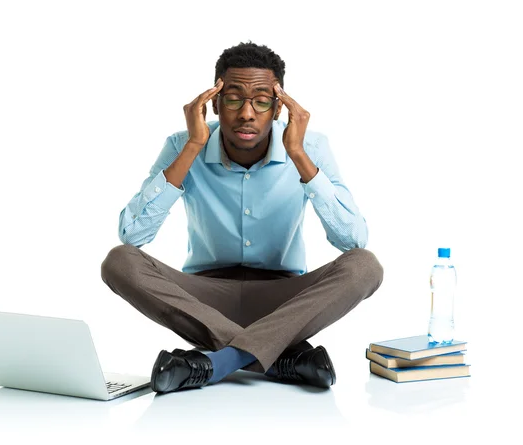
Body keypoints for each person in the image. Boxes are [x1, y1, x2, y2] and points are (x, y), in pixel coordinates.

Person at [101, 41, 384, 395]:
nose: (247, 113)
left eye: (262, 101)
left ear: (278, 107)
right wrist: (192, 147)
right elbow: (132, 234)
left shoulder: (310, 148)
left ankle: (218, 362)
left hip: (284, 300)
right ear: (214, 103)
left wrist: (297, 154)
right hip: (204, 300)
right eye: (234, 99)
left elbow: (353, 240)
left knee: (365, 266)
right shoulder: (183, 145)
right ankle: (280, 357)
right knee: (119, 262)